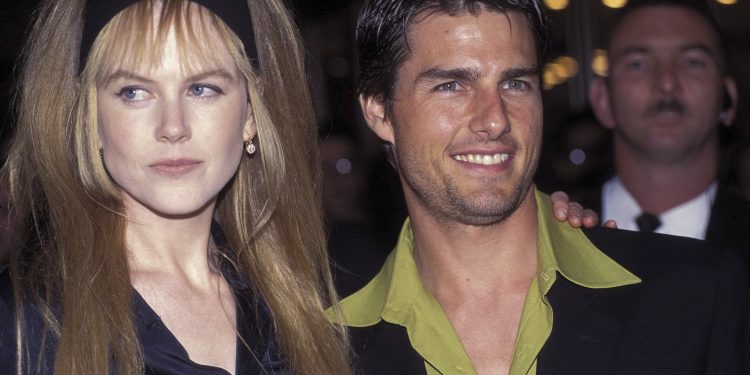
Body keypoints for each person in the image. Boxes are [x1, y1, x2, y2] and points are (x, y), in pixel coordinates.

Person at [336, 0, 750, 374]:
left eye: (515, 83)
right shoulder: (325, 348)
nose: (495, 119)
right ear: (378, 111)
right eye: (451, 86)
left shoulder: (698, 296)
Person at [0, 0, 352, 373]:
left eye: (202, 88)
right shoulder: (23, 327)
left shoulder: (299, 307)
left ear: (250, 111)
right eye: (135, 92)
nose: (172, 126)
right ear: (89, 114)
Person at [586, 0, 750, 265]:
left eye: (693, 62)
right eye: (638, 64)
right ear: (603, 100)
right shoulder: (545, 237)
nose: (667, 83)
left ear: (728, 99)